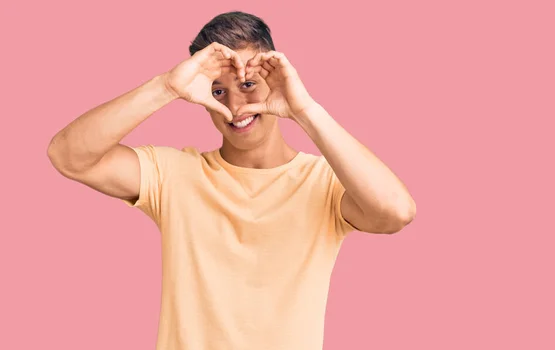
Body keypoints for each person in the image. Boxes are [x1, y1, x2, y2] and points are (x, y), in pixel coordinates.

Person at [47, 10, 416, 350]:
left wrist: (305, 110)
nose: (236, 108)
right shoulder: (175, 175)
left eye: (248, 85)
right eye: (219, 91)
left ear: (275, 81)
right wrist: (166, 88)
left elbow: (396, 212)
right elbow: (68, 156)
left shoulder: (323, 183)